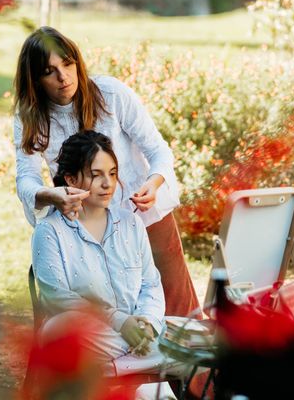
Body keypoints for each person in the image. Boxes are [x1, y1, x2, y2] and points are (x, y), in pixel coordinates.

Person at [14, 26, 199, 317]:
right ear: (35, 80)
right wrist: (50, 195)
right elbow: (26, 177)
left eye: (67, 63)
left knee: (179, 310)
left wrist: (154, 182)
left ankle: (188, 363)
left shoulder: (110, 94)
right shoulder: (31, 117)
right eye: (49, 71)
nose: (63, 77)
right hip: (88, 229)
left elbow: (158, 150)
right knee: (108, 314)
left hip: (144, 216)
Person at [32, 131, 186, 397]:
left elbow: (151, 284)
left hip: (124, 339)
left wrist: (147, 324)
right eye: (96, 174)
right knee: (64, 329)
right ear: (70, 179)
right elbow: (58, 297)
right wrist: (121, 323)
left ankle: (121, 366)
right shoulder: (49, 231)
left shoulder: (131, 223)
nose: (107, 184)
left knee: (192, 336)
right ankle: (150, 357)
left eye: (113, 174)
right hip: (87, 336)